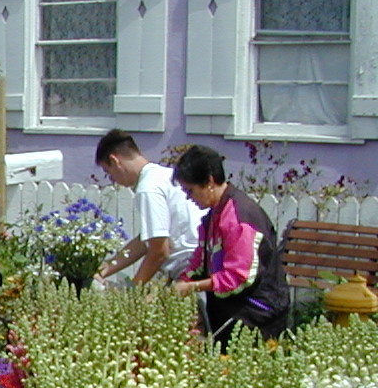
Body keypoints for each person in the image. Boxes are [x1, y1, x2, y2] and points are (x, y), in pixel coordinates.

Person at [172, 145, 289, 345]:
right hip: (231, 309)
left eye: (190, 190)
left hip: (257, 314)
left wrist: (192, 287)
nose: (188, 197)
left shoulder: (239, 217)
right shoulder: (213, 216)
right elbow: (200, 263)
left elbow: (238, 278)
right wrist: (176, 285)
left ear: (209, 182)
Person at [94, 129, 201, 284]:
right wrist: (105, 269)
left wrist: (134, 291)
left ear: (115, 161)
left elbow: (159, 251)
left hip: (188, 269)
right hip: (201, 260)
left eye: (108, 172)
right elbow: (148, 240)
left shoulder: (148, 188)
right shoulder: (164, 175)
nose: (112, 179)